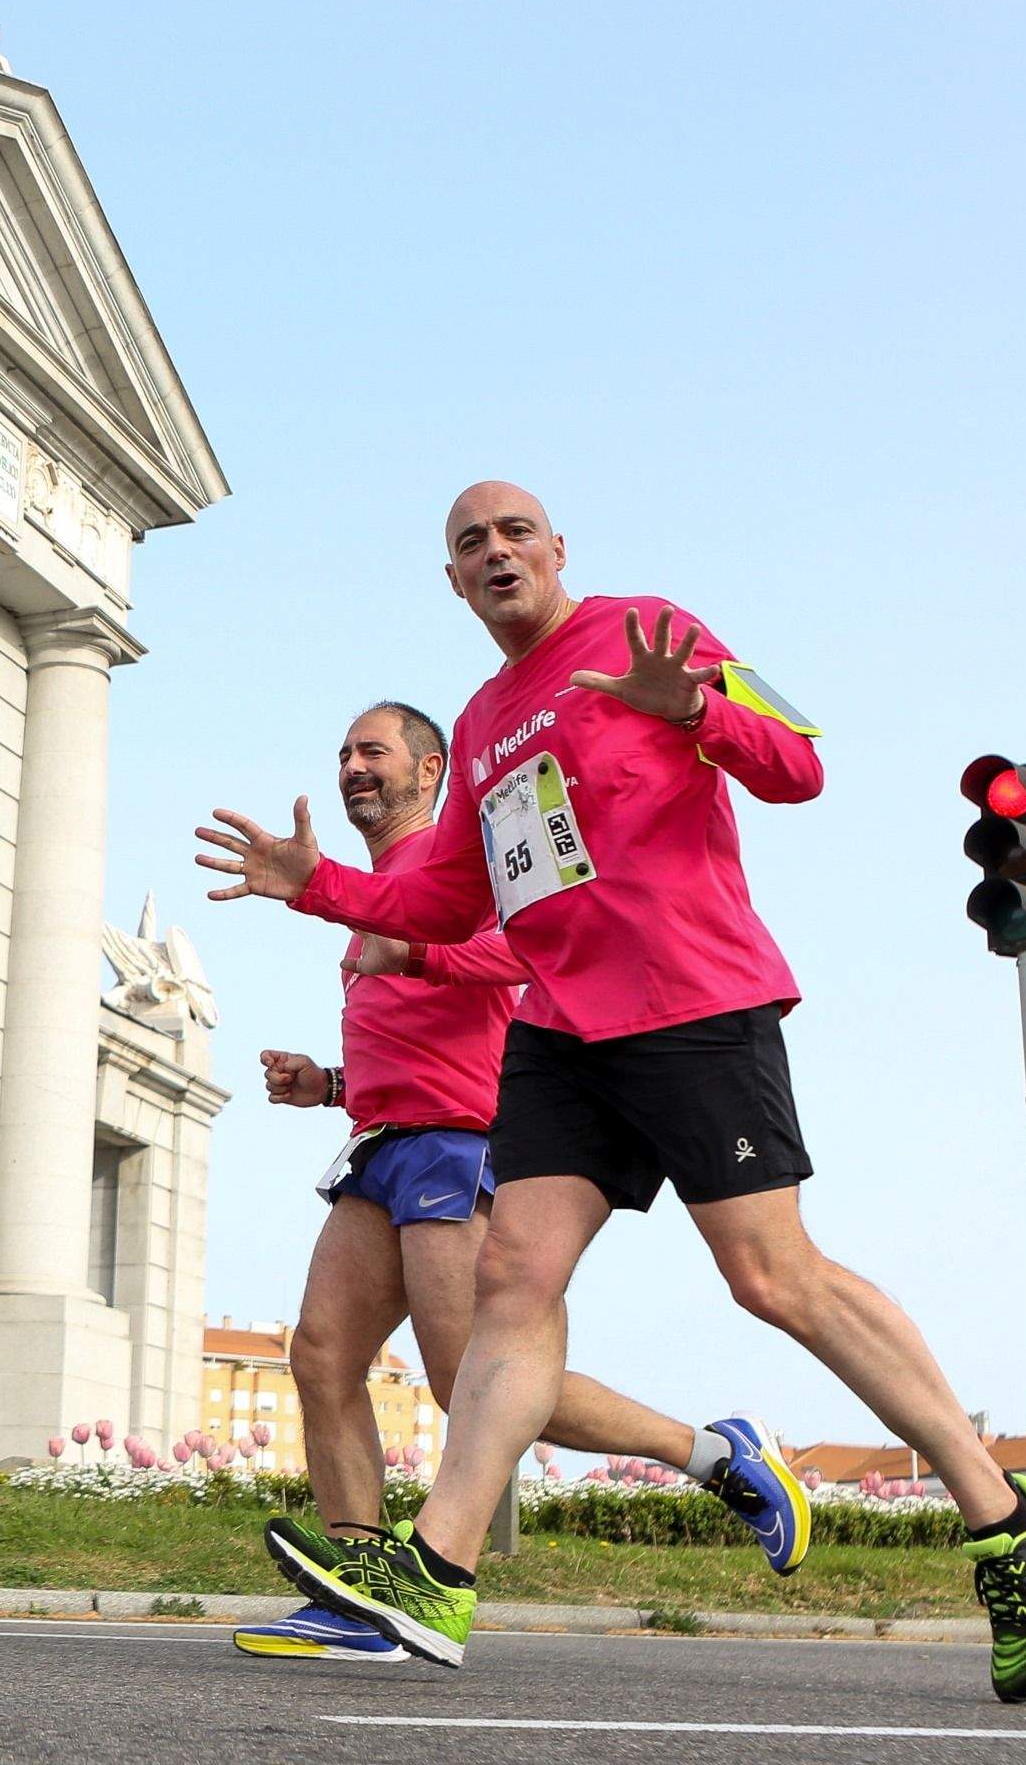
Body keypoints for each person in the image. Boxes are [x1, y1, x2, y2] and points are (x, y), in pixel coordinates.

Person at [196, 482, 1026, 1703]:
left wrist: (706, 708)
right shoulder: (486, 715)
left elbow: (801, 766)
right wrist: (318, 887)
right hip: (561, 1029)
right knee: (514, 1277)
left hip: (692, 999)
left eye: (515, 533)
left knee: (773, 1275)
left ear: (559, 550)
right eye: (471, 544)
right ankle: (439, 1571)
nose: (496, 551)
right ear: (454, 583)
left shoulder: (648, 628)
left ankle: (1008, 1519)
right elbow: (448, 902)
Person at [233, 701, 806, 1663]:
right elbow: (415, 1042)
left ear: (430, 773)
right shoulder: (373, 889)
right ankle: (358, 1590)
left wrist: (413, 949)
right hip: (383, 1144)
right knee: (323, 1357)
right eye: (341, 754)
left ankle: (717, 1455)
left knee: (471, 1386)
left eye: (373, 751)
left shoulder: (469, 863)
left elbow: (534, 947)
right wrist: (327, 1086)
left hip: (465, 1148)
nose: (351, 768)